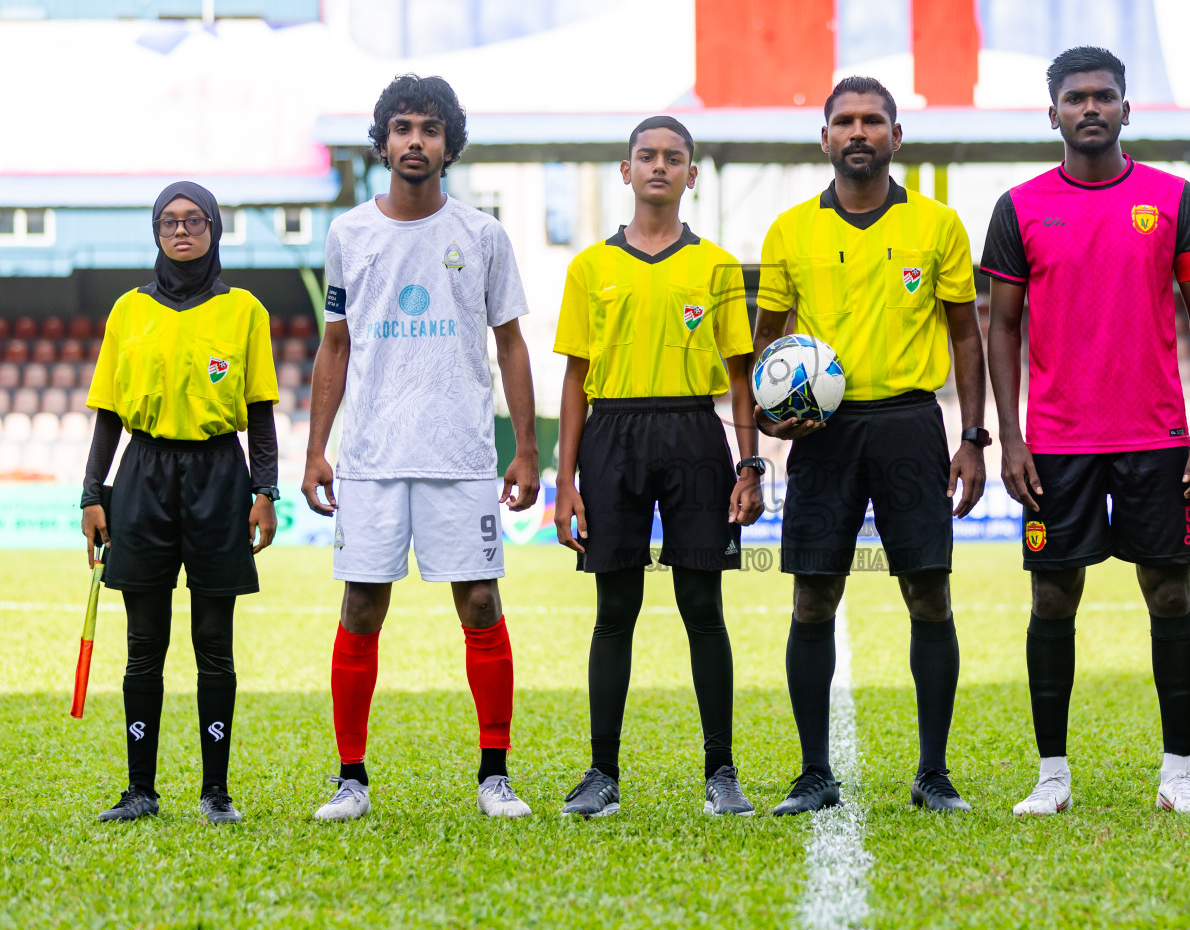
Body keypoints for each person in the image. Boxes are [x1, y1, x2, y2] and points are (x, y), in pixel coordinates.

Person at [982, 46, 1190, 816]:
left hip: (1154, 436)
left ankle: (1178, 773)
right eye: (1076, 98)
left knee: (1170, 598)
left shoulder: (1172, 197)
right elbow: (1002, 329)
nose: (1091, 108)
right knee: (1052, 599)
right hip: (1056, 442)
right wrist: (1010, 437)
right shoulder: (1019, 206)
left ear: (1128, 108)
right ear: (1051, 112)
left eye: (1105, 97)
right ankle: (1051, 776)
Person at [301, 74, 541, 821]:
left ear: (448, 145)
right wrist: (317, 449)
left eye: (429, 129)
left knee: (479, 603)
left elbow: (512, 346)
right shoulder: (349, 234)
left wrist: (526, 449)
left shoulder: (483, 235)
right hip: (372, 457)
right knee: (362, 607)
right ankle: (351, 779)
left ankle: (494, 776)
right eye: (402, 128)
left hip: (461, 455)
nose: (415, 141)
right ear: (382, 144)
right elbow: (334, 346)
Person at [755, 75, 987, 815]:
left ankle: (934, 772)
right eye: (845, 122)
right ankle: (814, 773)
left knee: (928, 593)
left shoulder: (939, 224)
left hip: (912, 424)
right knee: (814, 596)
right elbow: (765, 346)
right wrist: (768, 421)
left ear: (895, 135)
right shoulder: (790, 229)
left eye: (873, 121)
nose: (859, 132)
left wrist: (974, 436)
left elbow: (965, 333)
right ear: (825, 138)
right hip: (823, 433)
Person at [552, 116, 764, 818]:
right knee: (615, 610)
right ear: (625, 169)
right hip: (611, 436)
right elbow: (576, 379)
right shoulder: (590, 268)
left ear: (692, 176)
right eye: (647, 155)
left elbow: (740, 379)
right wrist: (565, 483)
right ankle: (602, 774)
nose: (659, 167)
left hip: (693, 433)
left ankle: (721, 773)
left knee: (703, 608)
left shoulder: (718, 268)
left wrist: (749, 466)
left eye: (674, 158)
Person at [81, 180, 279, 824]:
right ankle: (140, 790)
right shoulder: (128, 310)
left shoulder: (244, 309)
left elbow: (260, 414)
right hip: (141, 474)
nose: (182, 230)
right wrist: (92, 494)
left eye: (194, 220)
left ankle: (215, 792)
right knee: (144, 643)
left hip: (220, 474)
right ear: (157, 233)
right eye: (169, 222)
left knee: (213, 642)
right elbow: (108, 414)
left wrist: (264, 491)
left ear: (214, 229)